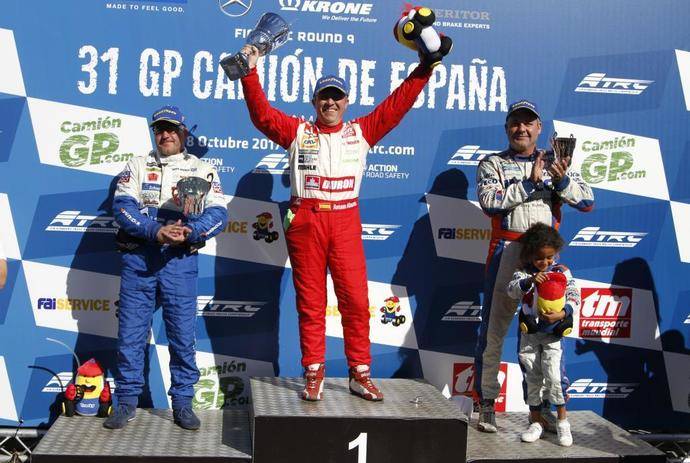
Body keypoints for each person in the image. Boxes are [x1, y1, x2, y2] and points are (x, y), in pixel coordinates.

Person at [239, 42, 440, 402]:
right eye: (323, 98)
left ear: (346, 102)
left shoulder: (361, 132)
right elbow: (262, 116)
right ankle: (313, 372)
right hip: (305, 220)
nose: (330, 103)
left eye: (337, 98)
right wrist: (250, 73)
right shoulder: (298, 132)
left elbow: (397, 106)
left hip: (345, 219)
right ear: (314, 103)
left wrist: (423, 69)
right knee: (311, 302)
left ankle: (359, 373)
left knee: (354, 300)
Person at [473, 100, 594, 432]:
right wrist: (530, 182)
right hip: (508, 253)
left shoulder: (558, 161)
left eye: (528, 123)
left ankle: (539, 413)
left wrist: (561, 181)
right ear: (507, 128)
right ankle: (485, 403)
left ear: (539, 128)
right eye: (515, 123)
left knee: (542, 339)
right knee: (493, 334)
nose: (521, 129)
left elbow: (587, 201)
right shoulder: (492, 163)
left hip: (544, 257)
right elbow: (490, 203)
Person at [104, 105, 228, 430]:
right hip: (140, 259)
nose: (166, 134)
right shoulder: (137, 165)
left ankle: (183, 404)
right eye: (160, 129)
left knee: (182, 337)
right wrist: (155, 231)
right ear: (154, 133)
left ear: (183, 133)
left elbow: (218, 215)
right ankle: (127, 402)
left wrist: (192, 231)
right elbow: (122, 208)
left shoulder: (202, 169)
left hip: (179, 261)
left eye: (172, 129)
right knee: (130, 335)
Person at [507, 223, 576, 447]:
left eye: (549, 257)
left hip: (553, 334)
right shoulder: (523, 272)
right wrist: (529, 281)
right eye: (539, 259)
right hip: (529, 333)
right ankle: (535, 421)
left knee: (555, 377)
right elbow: (512, 289)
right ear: (529, 255)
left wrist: (564, 314)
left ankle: (562, 422)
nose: (545, 263)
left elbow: (574, 294)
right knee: (532, 378)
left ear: (556, 253)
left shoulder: (562, 271)